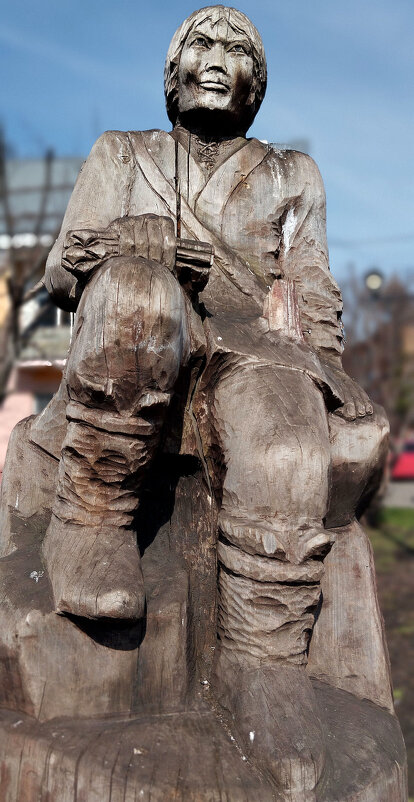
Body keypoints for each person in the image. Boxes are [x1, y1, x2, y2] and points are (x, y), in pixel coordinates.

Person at [39, 6, 388, 795]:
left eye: (241, 50)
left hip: (245, 348)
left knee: (286, 436)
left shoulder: (292, 174)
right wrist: (129, 240)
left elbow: (313, 290)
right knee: (136, 297)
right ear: (173, 70)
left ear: (257, 85)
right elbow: (62, 274)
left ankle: (264, 665)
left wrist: (319, 369)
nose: (221, 58)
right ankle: (90, 523)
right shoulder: (122, 153)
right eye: (204, 42)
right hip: (139, 334)